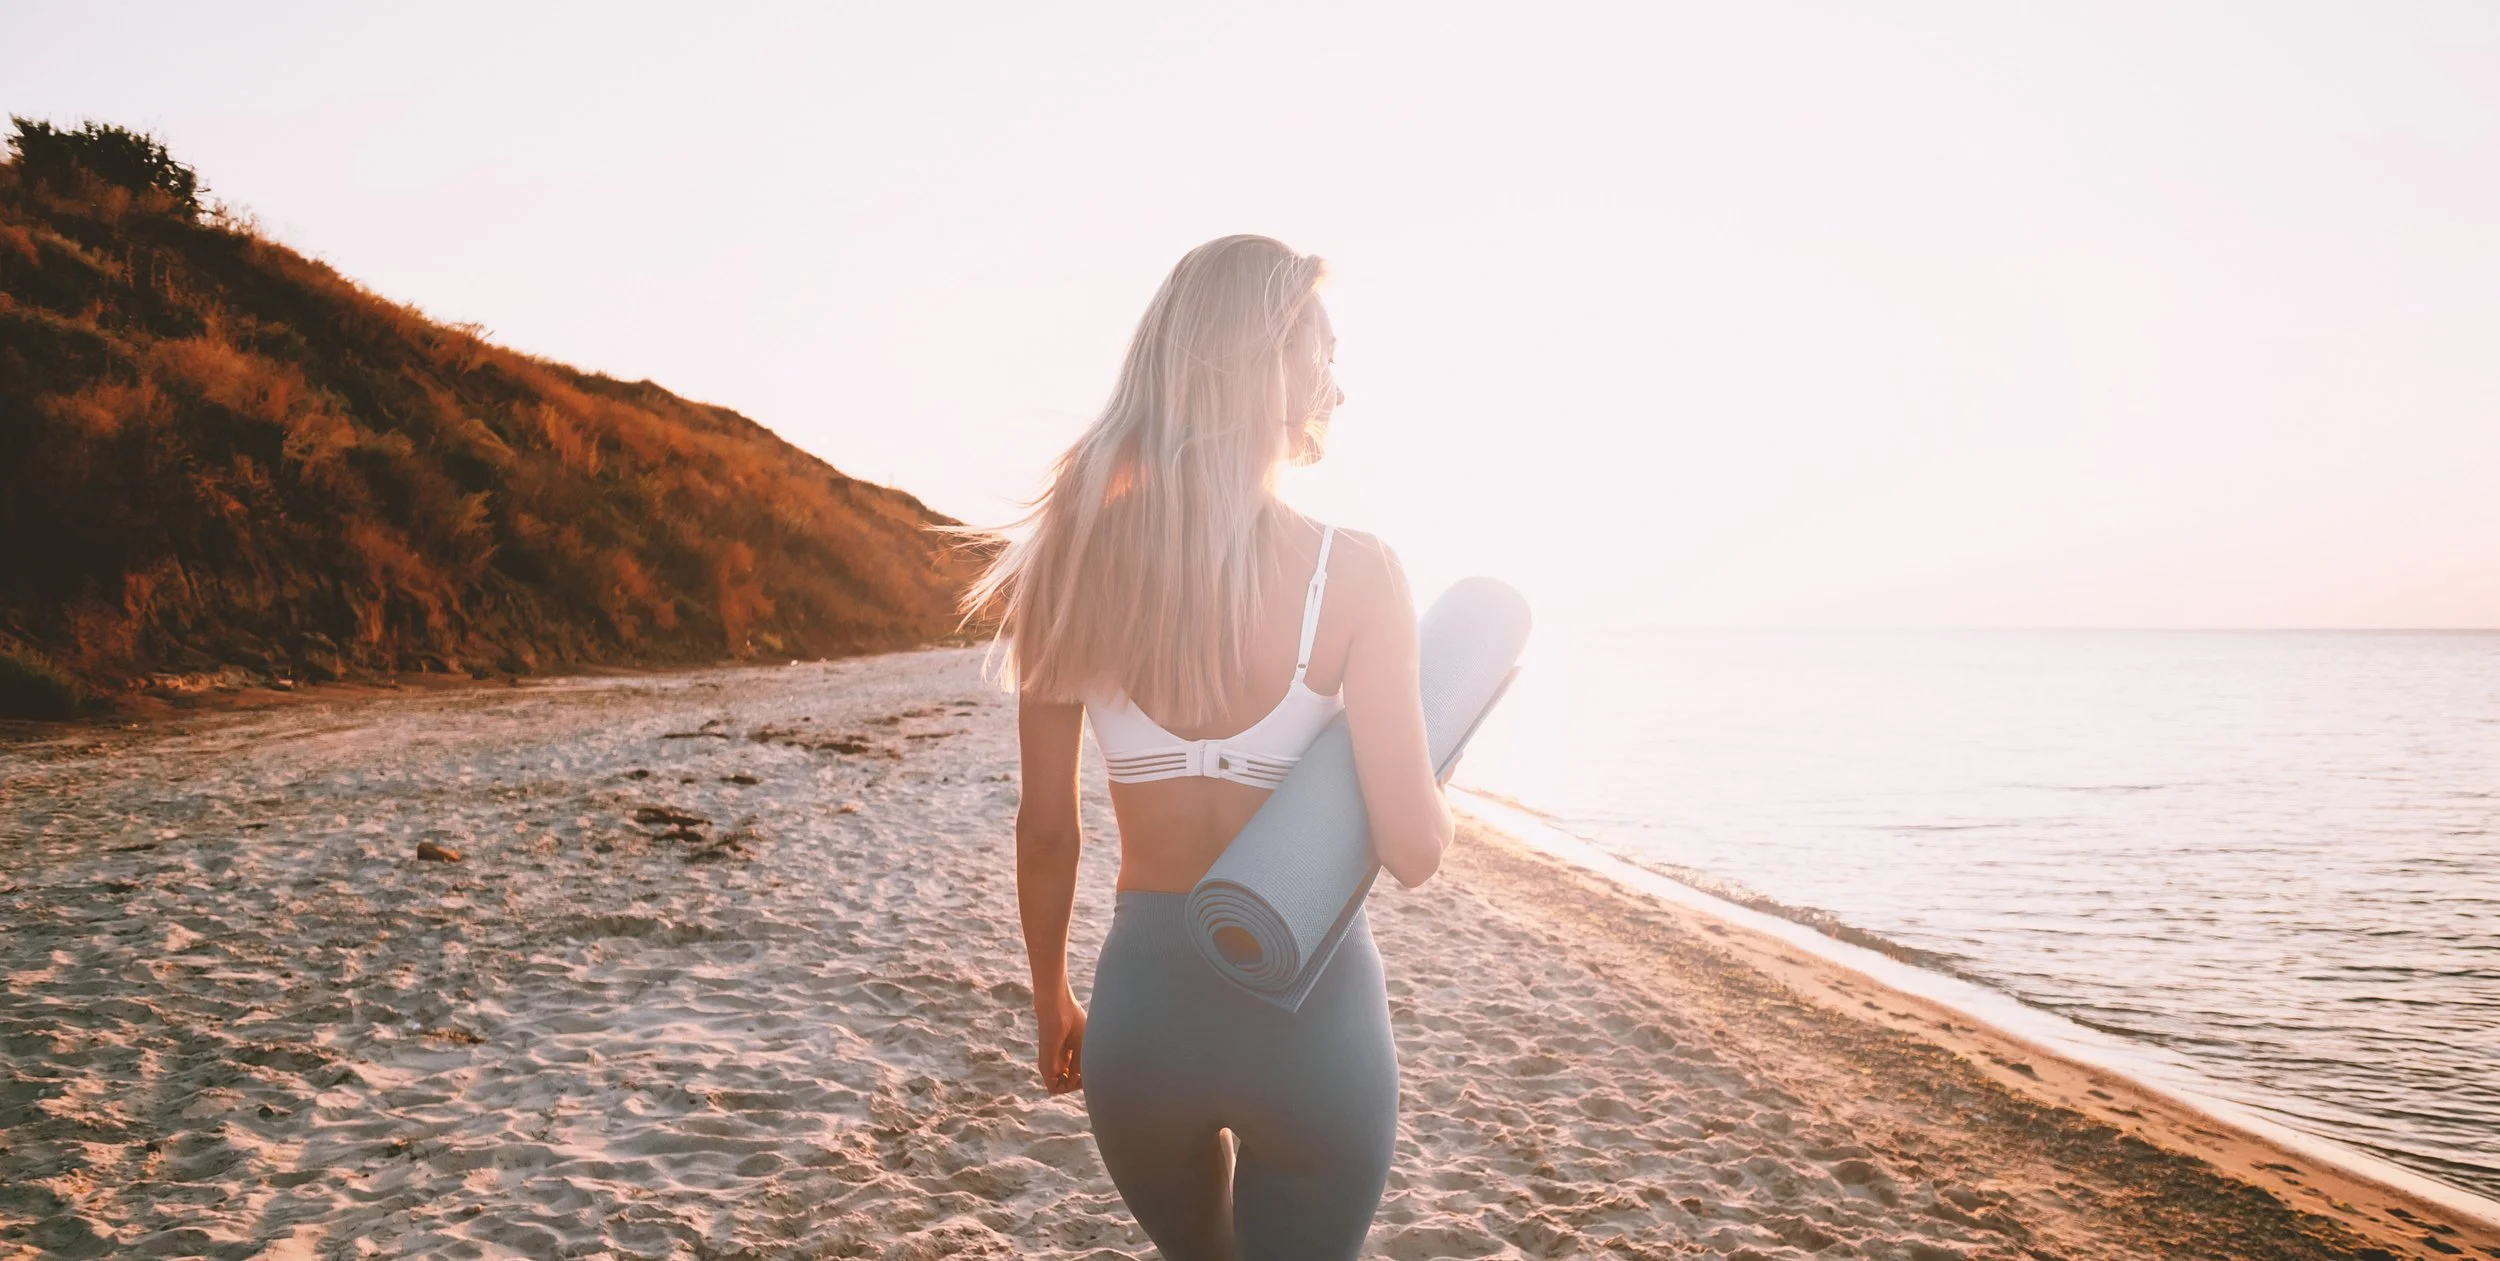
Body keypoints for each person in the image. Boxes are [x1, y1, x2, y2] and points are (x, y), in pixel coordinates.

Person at [958, 234, 1456, 1260]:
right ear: (1260, 364)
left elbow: (1048, 831)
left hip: (1143, 1024)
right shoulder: (1357, 574)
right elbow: (1414, 850)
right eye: (1320, 352)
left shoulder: (1064, 566)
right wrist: (1440, 760)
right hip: (1315, 1026)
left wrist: (1049, 993)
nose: (1336, 386)